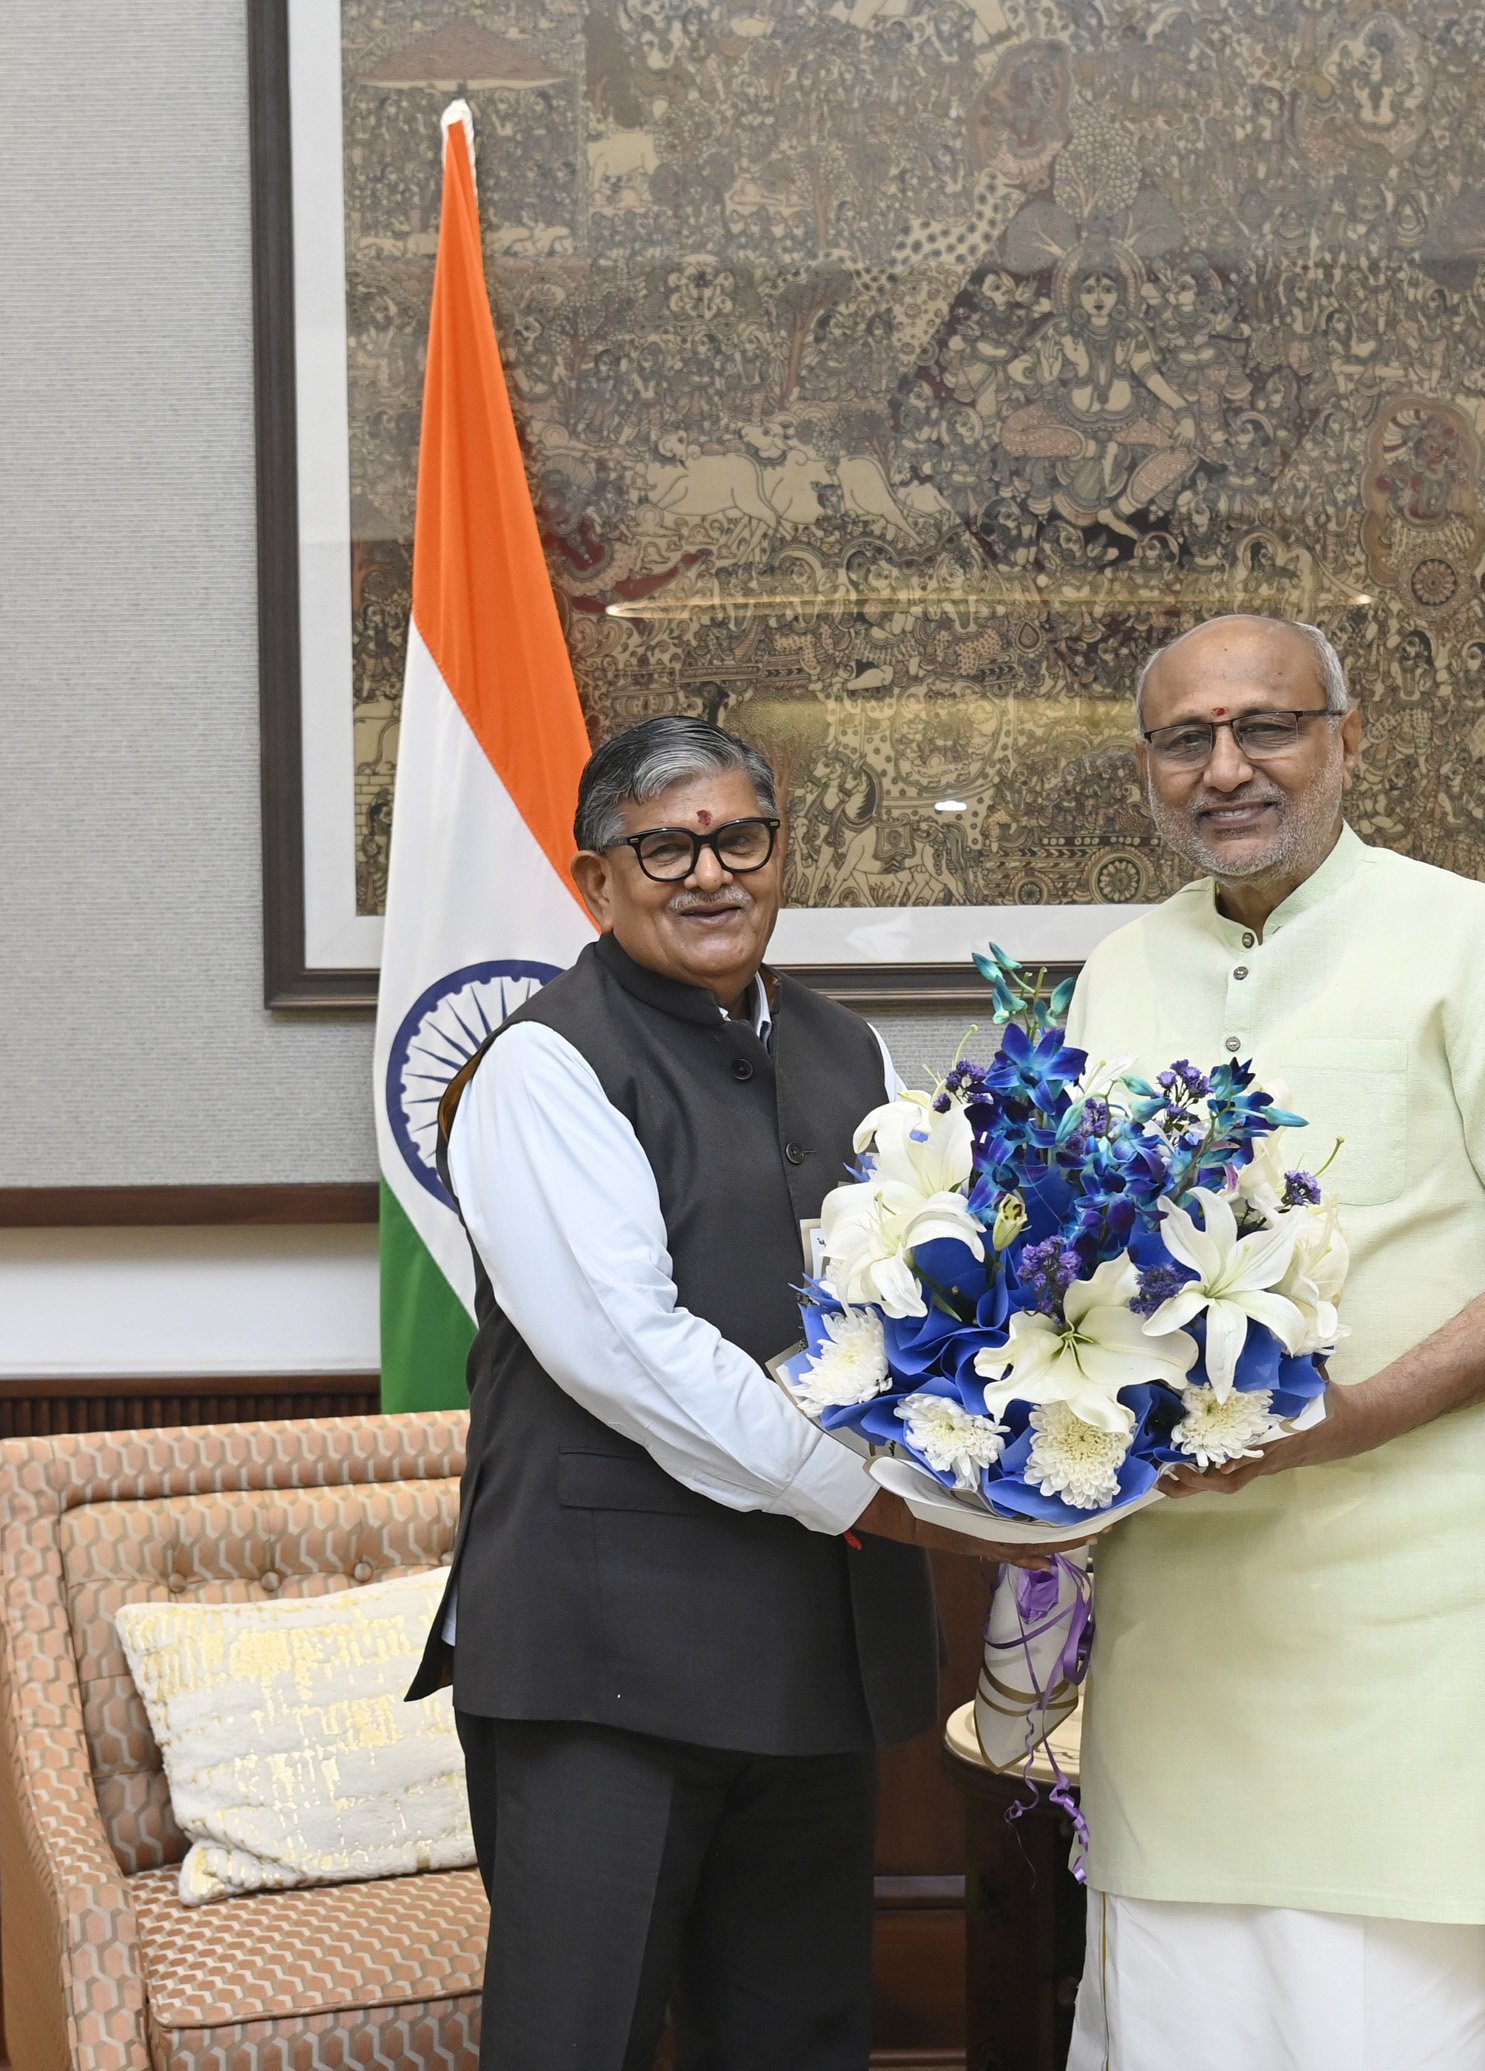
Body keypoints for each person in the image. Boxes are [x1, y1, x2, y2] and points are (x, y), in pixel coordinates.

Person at [1061, 617, 1485, 2071]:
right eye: (1183, 740)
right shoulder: (1113, 975)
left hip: (1424, 1633)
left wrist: (1360, 1415)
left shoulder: (1471, 936)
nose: (1225, 770)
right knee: (1182, 2029)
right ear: (1146, 770)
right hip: (1189, 1641)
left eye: (1264, 727)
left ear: (1347, 740)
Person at [408, 716, 1033, 2071]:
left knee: (799, 2039)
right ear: (596, 878)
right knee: (580, 2042)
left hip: (812, 1656)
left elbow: (916, 1306)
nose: (708, 873)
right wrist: (883, 1498)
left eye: (737, 837)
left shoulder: (852, 1049)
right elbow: (633, 1352)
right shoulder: (542, 1066)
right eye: (664, 847)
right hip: (600, 1661)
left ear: (777, 852)